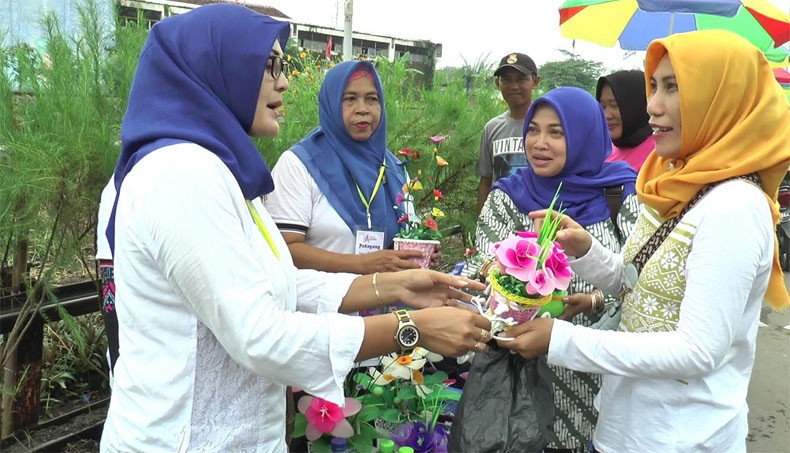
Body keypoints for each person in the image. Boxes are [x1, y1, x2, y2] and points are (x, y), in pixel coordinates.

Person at [98, 5, 492, 451]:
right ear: (214, 66)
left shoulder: (216, 170)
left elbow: (272, 282)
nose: (284, 81)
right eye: (270, 64)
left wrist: (391, 285)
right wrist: (411, 327)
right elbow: (259, 334)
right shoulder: (180, 173)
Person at [501, 30, 790, 452]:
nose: (653, 105)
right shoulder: (681, 184)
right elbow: (638, 285)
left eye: (673, 87)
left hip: (683, 437)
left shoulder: (734, 208)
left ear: (720, 98)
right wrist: (585, 251)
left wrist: (560, 341)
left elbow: (697, 351)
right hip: (625, 427)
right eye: (654, 86)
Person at [451, 87, 639, 452]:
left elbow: (637, 279)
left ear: (585, 134)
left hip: (598, 367)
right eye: (533, 130)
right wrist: (509, 276)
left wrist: (593, 300)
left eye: (556, 132)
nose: (539, 143)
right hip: (523, 365)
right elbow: (483, 264)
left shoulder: (619, 194)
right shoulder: (509, 194)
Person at [266, 60, 426, 276]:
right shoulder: (299, 164)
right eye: (349, 99)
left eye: (372, 99)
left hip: (387, 305)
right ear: (331, 103)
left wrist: (418, 252)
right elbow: (284, 248)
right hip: (322, 306)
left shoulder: (394, 169)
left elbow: (400, 242)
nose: (362, 109)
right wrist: (361, 265)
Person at [476, 52, 541, 213]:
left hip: (538, 219)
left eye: (521, 79)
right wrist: (481, 223)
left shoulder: (547, 126)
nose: (514, 86)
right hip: (500, 221)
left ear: (536, 81)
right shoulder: (492, 128)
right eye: (506, 80)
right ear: (497, 83)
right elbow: (485, 181)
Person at [596, 70, 655, 172]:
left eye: (615, 105)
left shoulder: (659, 156)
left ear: (636, 105)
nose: (607, 115)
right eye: (603, 106)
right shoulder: (604, 151)